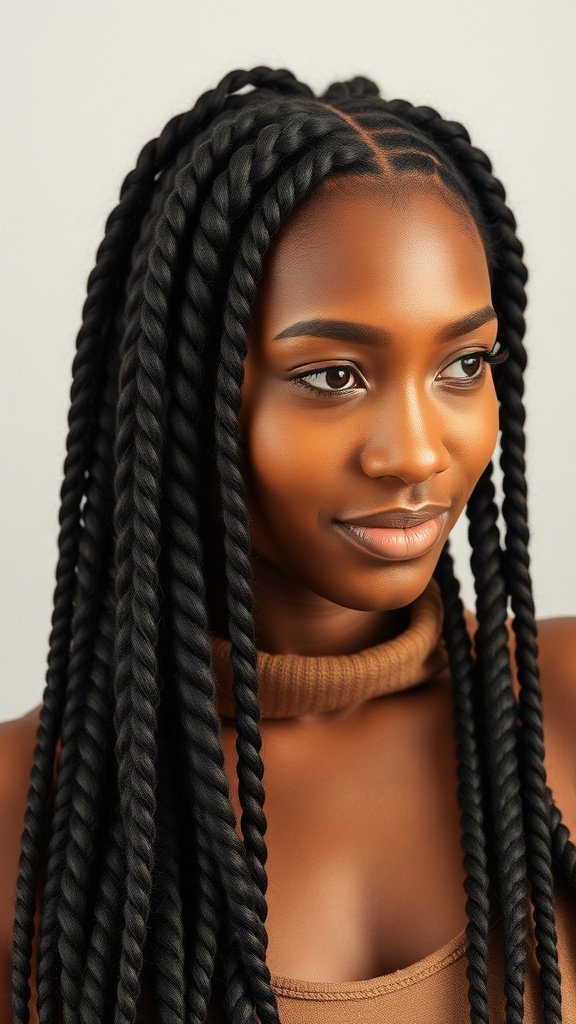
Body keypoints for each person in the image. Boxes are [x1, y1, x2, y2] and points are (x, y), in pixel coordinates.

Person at [1, 64, 575, 1024]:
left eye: (463, 364)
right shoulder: (31, 813)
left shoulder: (560, 702)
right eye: (335, 375)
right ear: (183, 396)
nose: (416, 452)